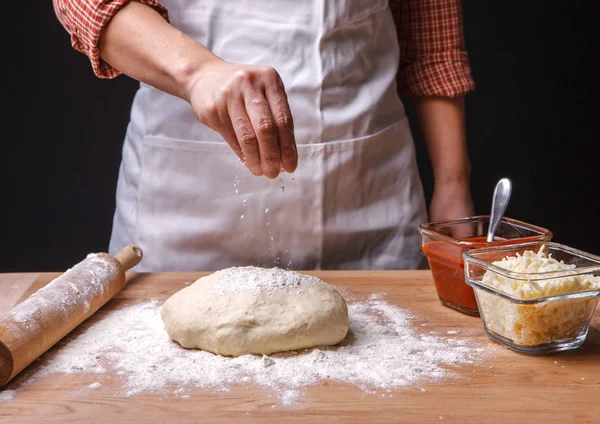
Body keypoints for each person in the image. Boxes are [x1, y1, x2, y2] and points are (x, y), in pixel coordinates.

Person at [52, 0, 475, 271]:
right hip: (186, 205)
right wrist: (197, 73)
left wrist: (453, 181)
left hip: (368, 197)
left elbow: (430, 30)